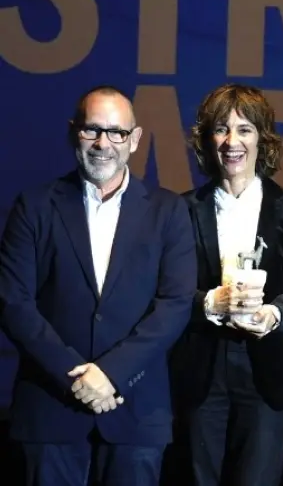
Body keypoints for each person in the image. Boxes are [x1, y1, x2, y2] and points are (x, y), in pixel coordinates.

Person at [0, 86, 196, 485]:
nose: (103, 143)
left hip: (136, 410)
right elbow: (12, 302)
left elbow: (174, 304)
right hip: (51, 409)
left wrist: (111, 374)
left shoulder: (169, 211)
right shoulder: (34, 206)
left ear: (135, 139)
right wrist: (75, 377)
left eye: (116, 132)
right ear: (74, 132)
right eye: (92, 130)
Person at [169, 84, 283, 485]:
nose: (232, 142)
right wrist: (209, 303)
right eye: (221, 129)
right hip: (200, 370)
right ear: (207, 139)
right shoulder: (182, 210)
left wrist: (272, 313)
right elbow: (168, 293)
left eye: (245, 129)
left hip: (266, 370)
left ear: (262, 139)